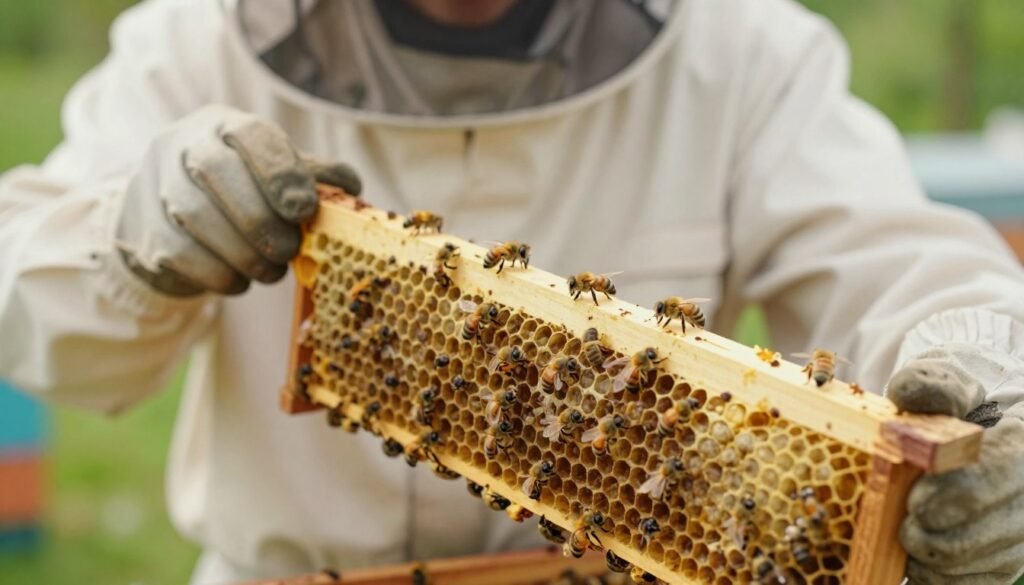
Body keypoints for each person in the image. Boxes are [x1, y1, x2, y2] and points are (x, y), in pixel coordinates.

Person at [1, 0, 1023, 583]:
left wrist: (991, 388)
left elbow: (909, 263)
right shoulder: (191, 44)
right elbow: (33, 307)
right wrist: (122, 238)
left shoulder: (744, 53)